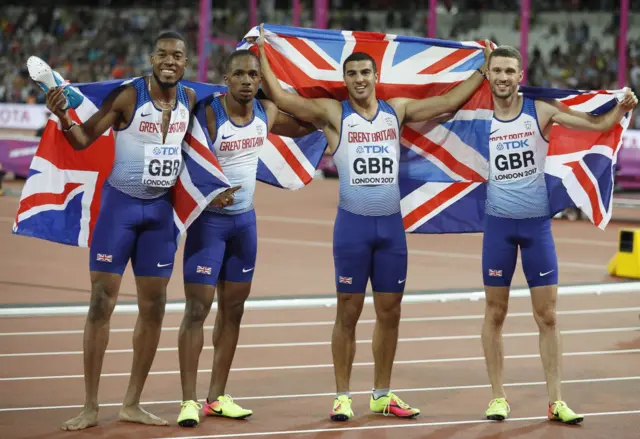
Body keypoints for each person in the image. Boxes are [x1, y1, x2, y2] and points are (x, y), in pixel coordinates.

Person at [257, 24, 492, 421]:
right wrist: (263, 50)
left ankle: (382, 393)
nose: (359, 79)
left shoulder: (396, 110)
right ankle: (342, 395)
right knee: (347, 311)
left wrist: (483, 69)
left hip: (390, 231)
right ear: (344, 80)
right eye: (352, 74)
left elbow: (448, 102)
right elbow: (280, 96)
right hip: (353, 229)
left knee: (390, 312)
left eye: (365, 73)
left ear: (375, 77)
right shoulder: (334, 114)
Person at [43, 31, 236, 431]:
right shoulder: (130, 96)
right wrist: (63, 115)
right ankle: (90, 406)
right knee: (101, 302)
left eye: (177, 55)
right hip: (121, 209)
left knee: (154, 307)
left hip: (160, 216)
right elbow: (81, 140)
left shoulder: (192, 99)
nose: (170, 60)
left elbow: (230, 108)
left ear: (186, 62)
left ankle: (132, 403)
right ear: (151, 58)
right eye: (163, 53)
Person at [480, 45, 638, 424]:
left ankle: (555, 401)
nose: (503, 77)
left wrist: (622, 107)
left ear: (520, 76)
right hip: (498, 227)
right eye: (496, 70)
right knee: (495, 312)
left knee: (547, 315)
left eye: (509, 71)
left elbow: (596, 125)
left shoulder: (541, 111)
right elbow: (435, 107)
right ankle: (497, 398)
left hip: (536, 226)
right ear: (488, 75)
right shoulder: (478, 118)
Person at [176, 49, 317, 427]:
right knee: (197, 311)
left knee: (233, 311)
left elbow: (304, 126)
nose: (246, 81)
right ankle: (188, 401)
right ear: (227, 79)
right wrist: (209, 191)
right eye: (238, 74)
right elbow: (185, 156)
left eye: (252, 76)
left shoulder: (266, 114)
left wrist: (329, 109)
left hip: (244, 225)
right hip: (209, 226)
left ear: (260, 80)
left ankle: (216, 397)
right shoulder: (210, 113)